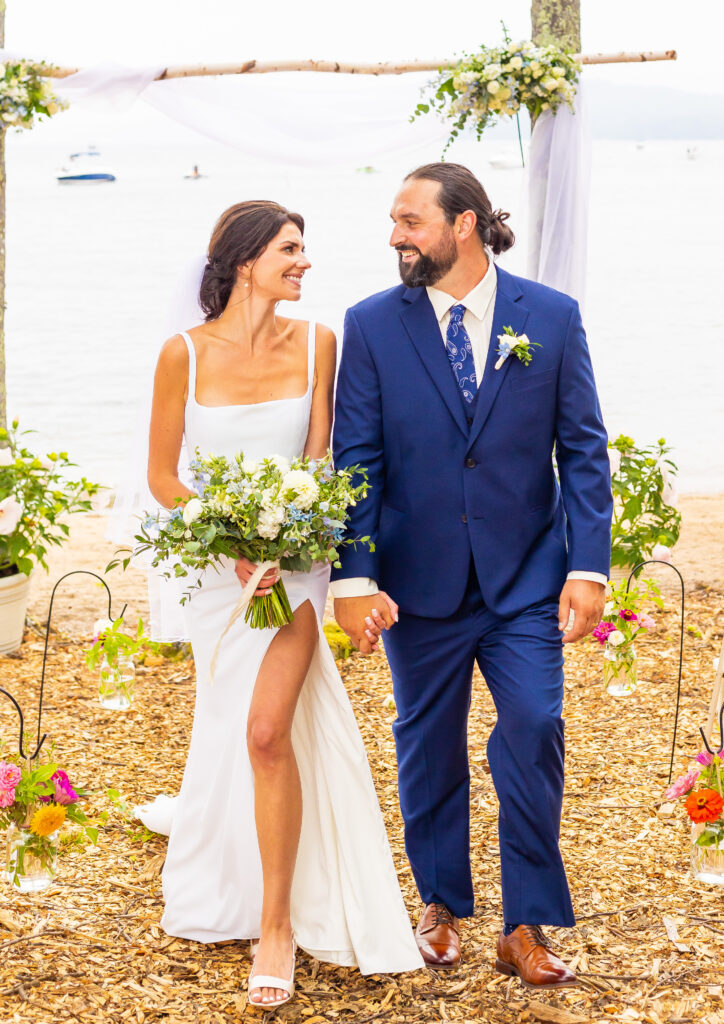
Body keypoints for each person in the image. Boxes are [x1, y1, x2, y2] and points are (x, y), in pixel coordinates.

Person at [332, 163, 612, 988]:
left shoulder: (551, 318)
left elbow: (585, 449)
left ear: (464, 225)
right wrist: (355, 578)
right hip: (417, 584)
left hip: (526, 577)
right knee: (427, 745)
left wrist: (588, 566)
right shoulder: (373, 325)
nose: (395, 237)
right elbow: (359, 460)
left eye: (410, 220)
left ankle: (523, 924)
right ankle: (441, 903)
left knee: (532, 728)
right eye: (393, 221)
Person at [145, 200, 423, 1010]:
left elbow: (319, 461)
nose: (304, 262)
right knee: (231, 731)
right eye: (290, 249)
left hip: (294, 571)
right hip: (215, 580)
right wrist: (229, 541)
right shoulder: (182, 357)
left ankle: (277, 926)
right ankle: (231, 873)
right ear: (243, 259)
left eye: (304, 249)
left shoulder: (318, 345)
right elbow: (165, 477)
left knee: (268, 733)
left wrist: (287, 543)